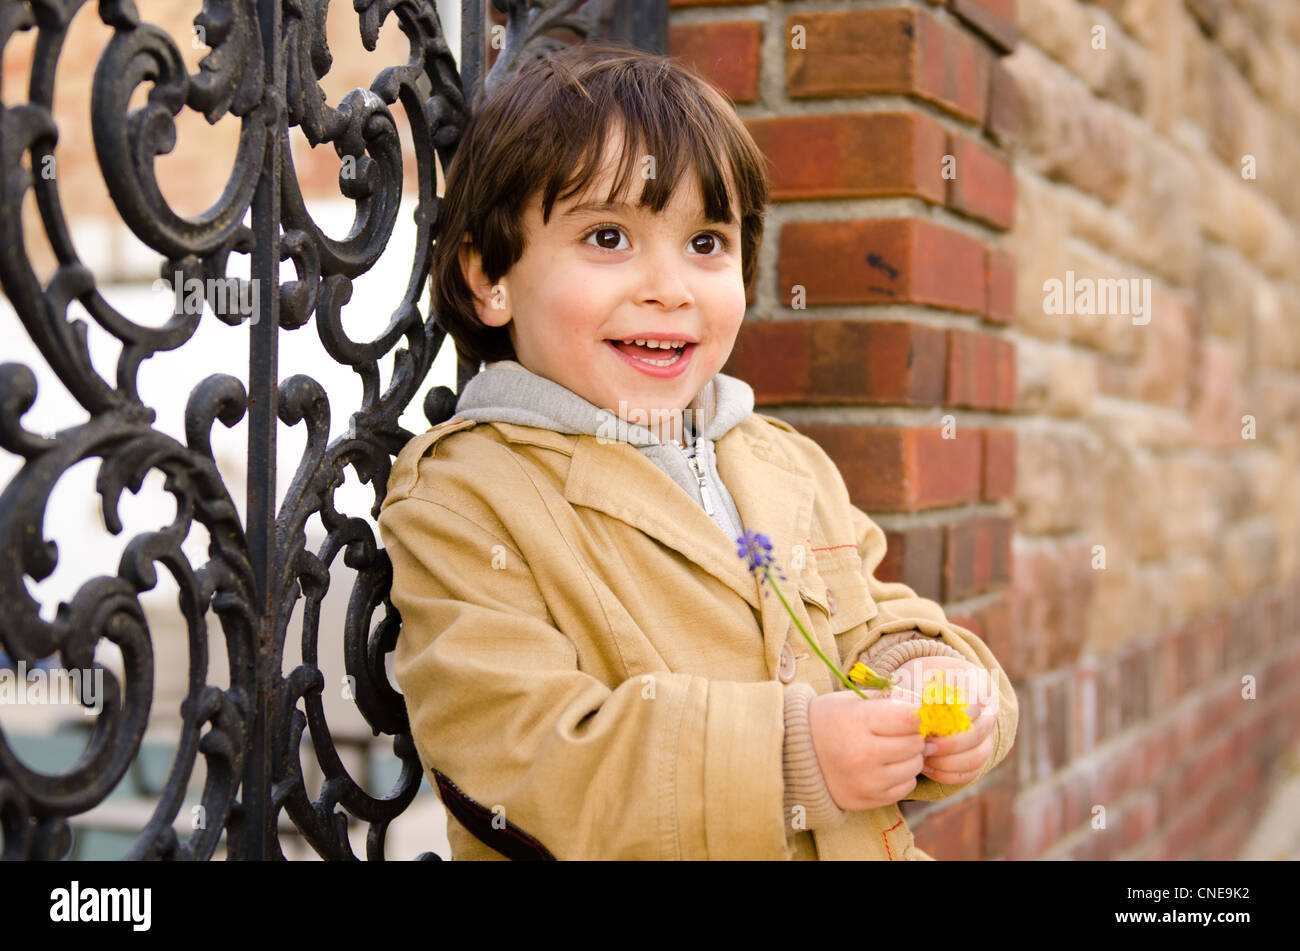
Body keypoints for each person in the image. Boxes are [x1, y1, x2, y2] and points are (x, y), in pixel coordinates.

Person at [377, 41, 1018, 860]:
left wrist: (933, 680)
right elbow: (516, 755)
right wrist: (791, 759)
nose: (670, 288)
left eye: (707, 243)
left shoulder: (780, 463)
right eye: (608, 236)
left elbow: (871, 624)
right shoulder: (467, 494)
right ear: (487, 277)